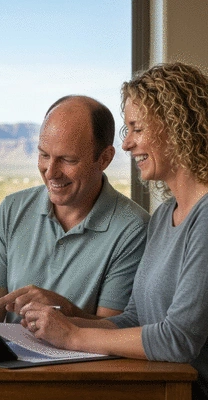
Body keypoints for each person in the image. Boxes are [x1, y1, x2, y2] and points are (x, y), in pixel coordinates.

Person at [20, 62, 208, 399]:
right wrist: (56, 326)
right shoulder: (166, 215)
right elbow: (135, 319)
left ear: (176, 126)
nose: (127, 144)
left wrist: (73, 338)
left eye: (137, 128)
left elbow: (178, 339)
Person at [0, 95, 150, 322]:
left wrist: (62, 310)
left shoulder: (133, 229)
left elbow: (113, 331)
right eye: (44, 155)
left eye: (67, 160)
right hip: (10, 357)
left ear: (104, 159)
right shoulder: (12, 209)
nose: (50, 172)